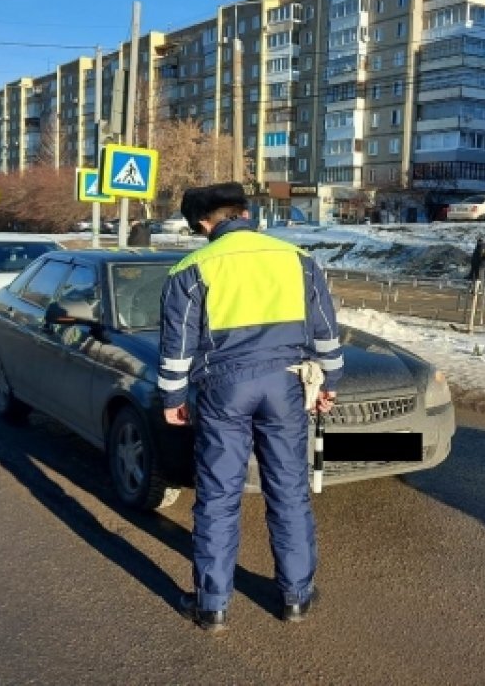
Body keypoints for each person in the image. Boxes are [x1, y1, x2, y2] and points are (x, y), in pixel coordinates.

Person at [158, 181, 344, 633]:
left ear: (206, 222)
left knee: (219, 495)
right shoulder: (297, 260)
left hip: (225, 389)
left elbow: (177, 345)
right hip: (286, 385)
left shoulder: (191, 267)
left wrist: (173, 398)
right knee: (289, 490)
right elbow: (325, 331)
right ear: (243, 213)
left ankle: (212, 605)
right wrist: (329, 382)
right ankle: (296, 596)